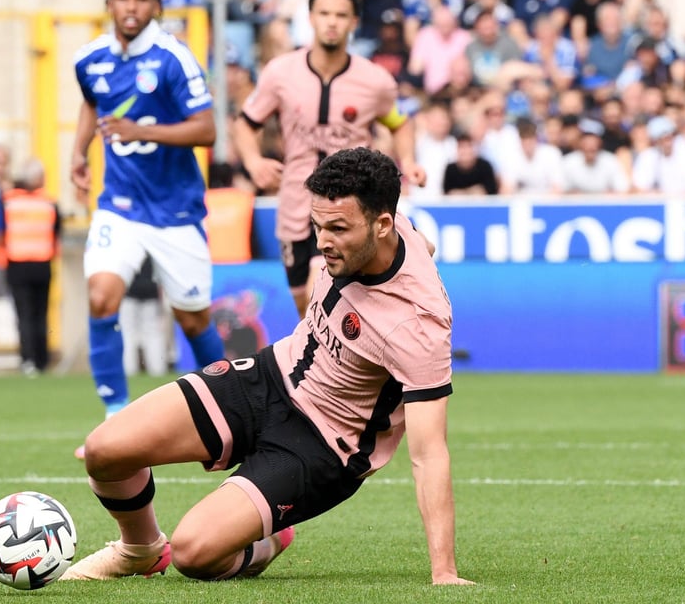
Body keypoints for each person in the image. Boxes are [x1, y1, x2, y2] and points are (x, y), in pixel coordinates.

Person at [63, 148, 470, 586]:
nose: (323, 242)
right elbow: (421, 246)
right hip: (270, 375)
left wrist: (444, 572)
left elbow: (429, 455)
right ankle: (139, 549)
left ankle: (268, 539)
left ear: (382, 225)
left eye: (338, 229)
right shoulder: (393, 228)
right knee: (105, 450)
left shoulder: (419, 325)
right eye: (318, 226)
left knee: (193, 554)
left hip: (322, 445)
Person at [70, 0, 227, 432]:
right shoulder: (90, 59)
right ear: (109, 4)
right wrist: (78, 153)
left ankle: (230, 411)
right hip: (119, 205)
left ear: (156, 6)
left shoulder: (174, 58)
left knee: (193, 321)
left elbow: (206, 130)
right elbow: (92, 103)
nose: (131, 7)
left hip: (175, 211)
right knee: (101, 297)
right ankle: (115, 416)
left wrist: (142, 131)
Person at [232, 0, 425, 319]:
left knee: (319, 293)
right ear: (310, 18)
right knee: (305, 308)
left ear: (354, 22)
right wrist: (253, 161)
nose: (332, 22)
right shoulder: (280, 73)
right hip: (295, 204)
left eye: (341, 15)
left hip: (350, 206)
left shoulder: (374, 80)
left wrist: (408, 161)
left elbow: (400, 122)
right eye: (324, 13)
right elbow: (246, 123)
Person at [1, 158, 61, 375]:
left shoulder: (9, 202)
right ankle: (42, 360)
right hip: (42, 263)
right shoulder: (49, 203)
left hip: (17, 263)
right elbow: (57, 232)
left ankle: (27, 359)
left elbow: (0, 231)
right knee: (40, 314)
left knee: (24, 315)